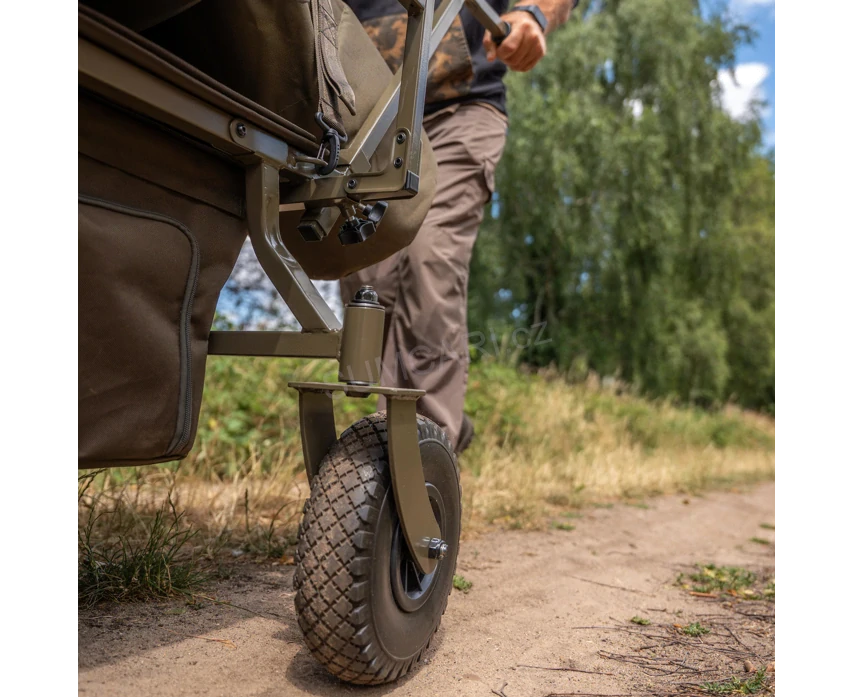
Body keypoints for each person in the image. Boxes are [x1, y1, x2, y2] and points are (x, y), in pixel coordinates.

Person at [340, 0, 578, 453]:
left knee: (430, 260)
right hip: (371, 122)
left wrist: (533, 14)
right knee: (369, 285)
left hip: (459, 111)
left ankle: (425, 450)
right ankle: (435, 419)